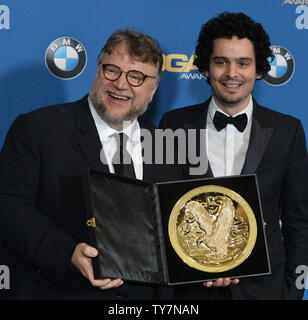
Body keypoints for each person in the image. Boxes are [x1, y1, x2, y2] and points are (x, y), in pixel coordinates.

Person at [0, 29, 176, 299]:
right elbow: (8, 205)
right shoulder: (37, 130)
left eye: (136, 77)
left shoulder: (167, 145)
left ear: (152, 90)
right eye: (112, 70)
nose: (120, 84)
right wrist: (67, 253)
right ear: (97, 70)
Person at [160, 12, 308, 300]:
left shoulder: (287, 130)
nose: (232, 74)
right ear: (205, 67)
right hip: (191, 291)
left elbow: (299, 220)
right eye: (221, 62)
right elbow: (163, 211)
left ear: (259, 69)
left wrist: (294, 290)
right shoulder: (173, 124)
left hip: (265, 290)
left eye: (243, 63)